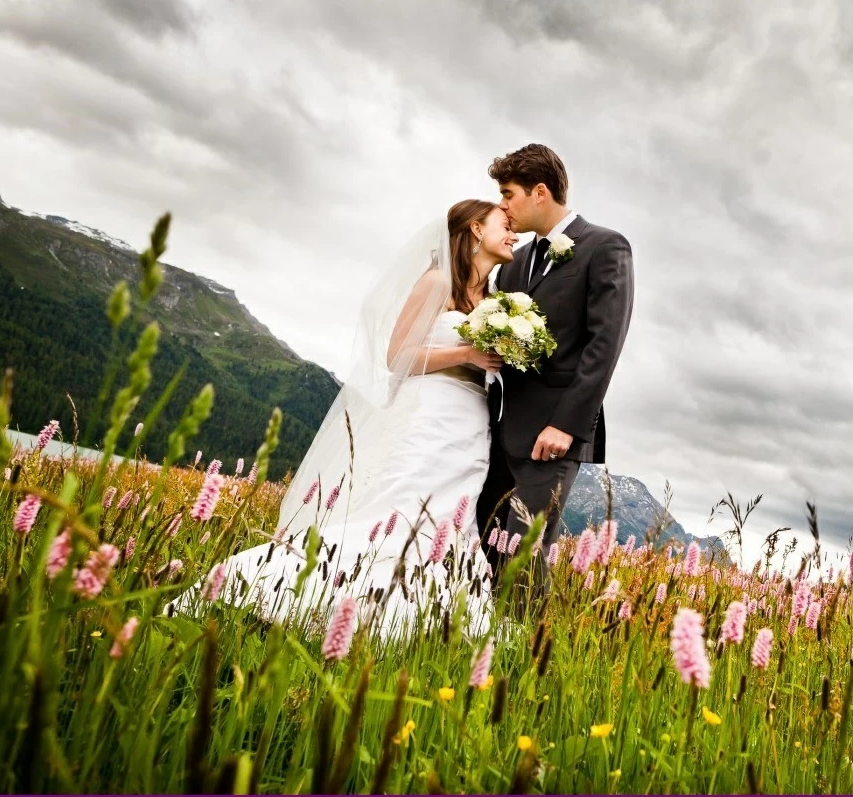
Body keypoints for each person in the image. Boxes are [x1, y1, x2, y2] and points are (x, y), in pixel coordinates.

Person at [179, 200, 517, 640]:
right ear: (475, 228)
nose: (513, 233)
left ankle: (432, 620)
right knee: (402, 506)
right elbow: (398, 356)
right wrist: (467, 354)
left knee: (452, 516)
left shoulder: (493, 301)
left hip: (472, 421)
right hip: (428, 414)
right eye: (504, 225)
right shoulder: (436, 281)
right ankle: (284, 593)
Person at [477, 143, 635, 615]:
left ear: (539, 192)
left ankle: (519, 653)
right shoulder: (516, 261)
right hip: (500, 429)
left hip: (554, 434)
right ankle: (479, 641)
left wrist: (567, 424)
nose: (503, 205)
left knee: (523, 549)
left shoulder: (605, 247)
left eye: (508, 194)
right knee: (487, 542)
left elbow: (605, 345)